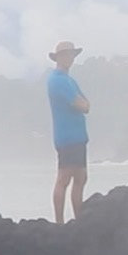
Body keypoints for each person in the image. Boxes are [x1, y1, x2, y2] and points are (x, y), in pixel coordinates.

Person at [46, 40, 90, 223]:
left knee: (81, 177)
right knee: (64, 178)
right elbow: (81, 104)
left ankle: (78, 218)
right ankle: (59, 221)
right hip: (68, 137)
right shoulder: (57, 80)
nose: (69, 58)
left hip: (78, 137)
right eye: (65, 54)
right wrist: (83, 104)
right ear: (58, 58)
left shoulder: (69, 80)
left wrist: (83, 104)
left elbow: (86, 103)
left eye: (71, 54)